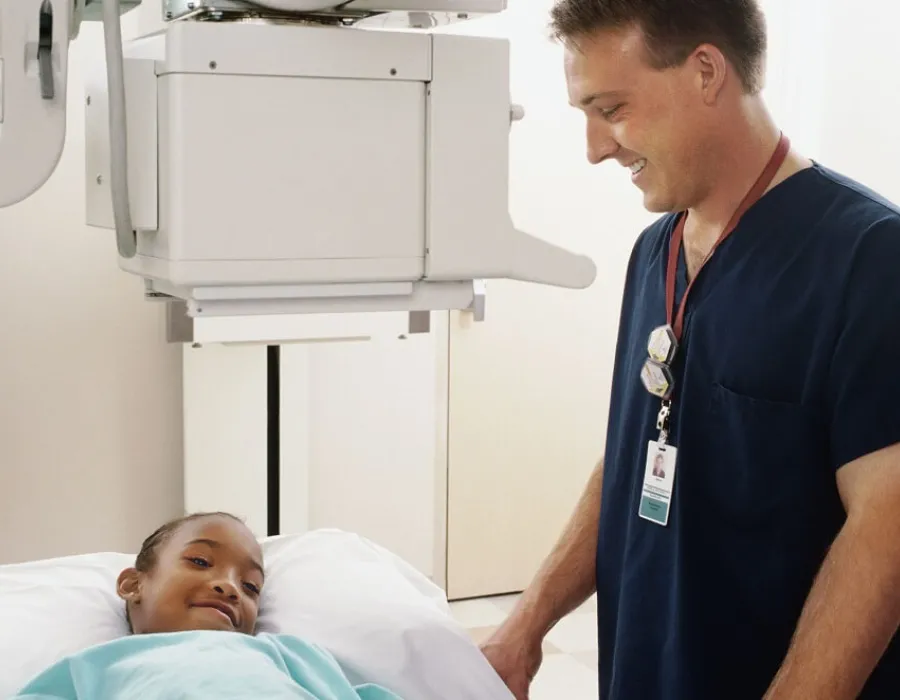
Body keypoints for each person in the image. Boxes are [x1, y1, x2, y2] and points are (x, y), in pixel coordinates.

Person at [480, 2, 900, 700]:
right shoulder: (656, 254)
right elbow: (634, 449)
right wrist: (525, 627)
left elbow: (887, 523)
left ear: (706, 71)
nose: (595, 147)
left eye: (611, 108)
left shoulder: (868, 258)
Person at [14, 512, 404, 699]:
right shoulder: (99, 665)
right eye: (200, 562)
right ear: (133, 584)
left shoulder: (288, 653)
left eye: (250, 587)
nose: (230, 588)